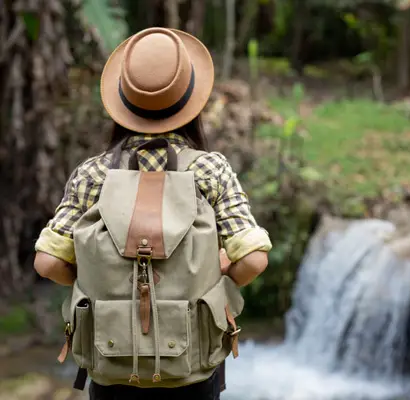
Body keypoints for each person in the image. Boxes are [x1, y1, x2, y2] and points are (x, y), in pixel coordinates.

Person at [33, 27, 272, 400]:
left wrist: (99, 270)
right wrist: (220, 268)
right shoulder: (210, 171)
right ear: (192, 101)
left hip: (111, 368)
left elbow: (47, 263)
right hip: (192, 370)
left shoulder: (93, 174)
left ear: (123, 102)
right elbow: (254, 261)